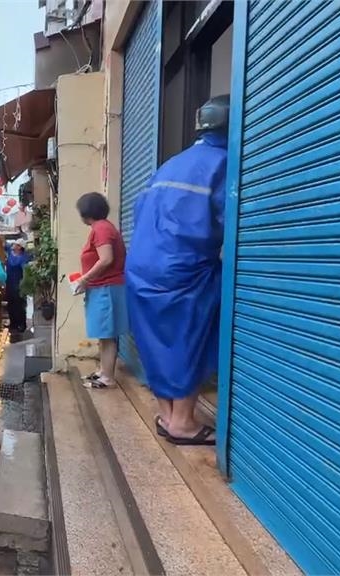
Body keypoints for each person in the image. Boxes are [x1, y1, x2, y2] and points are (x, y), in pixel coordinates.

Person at [124, 94, 229, 446]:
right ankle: (182, 422)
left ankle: (167, 416)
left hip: (141, 267)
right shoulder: (224, 163)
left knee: (155, 344)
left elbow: (140, 214)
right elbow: (233, 222)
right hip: (182, 270)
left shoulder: (170, 165)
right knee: (190, 340)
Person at [70, 192, 128, 389]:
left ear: (86, 211)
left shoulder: (102, 228)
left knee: (107, 334)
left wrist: (84, 279)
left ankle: (108, 378)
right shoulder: (100, 228)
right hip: (101, 287)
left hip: (106, 288)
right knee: (103, 334)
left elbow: (106, 259)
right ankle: (103, 371)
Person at [4, 240, 30, 333]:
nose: (13, 245)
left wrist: (25, 284)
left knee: (20, 305)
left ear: (19, 247)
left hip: (19, 284)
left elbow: (25, 271)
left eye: (15, 244)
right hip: (10, 283)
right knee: (11, 304)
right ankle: (13, 324)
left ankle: (21, 324)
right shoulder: (10, 253)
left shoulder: (23, 258)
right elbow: (3, 243)